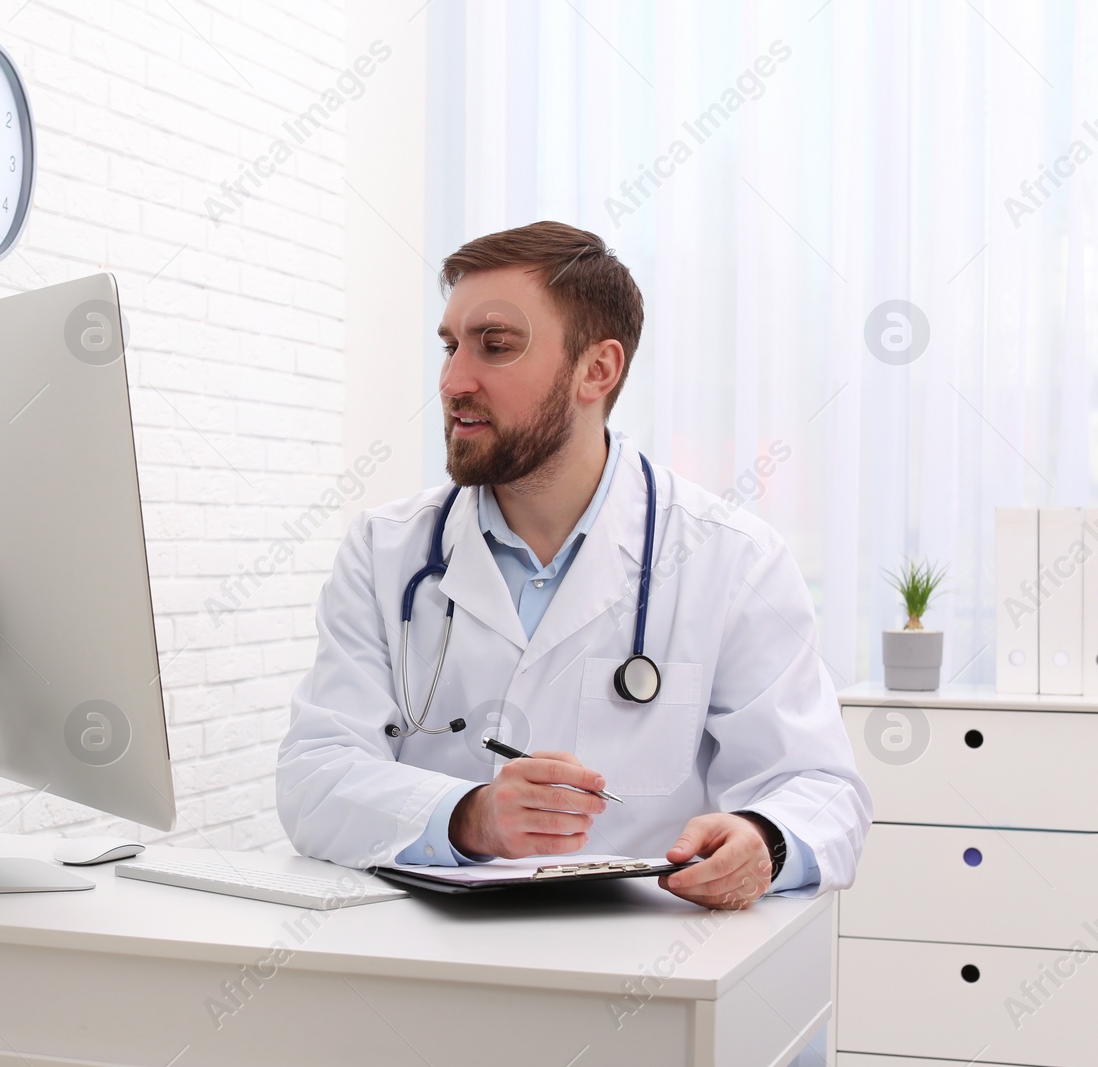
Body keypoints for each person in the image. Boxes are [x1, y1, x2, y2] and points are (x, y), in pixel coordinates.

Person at [276, 221, 871, 908]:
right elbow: (315, 776)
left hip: (646, 968)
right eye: (449, 346)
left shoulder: (732, 558)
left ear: (598, 369)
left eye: (494, 346)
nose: (452, 380)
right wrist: (471, 815)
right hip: (426, 965)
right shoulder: (386, 552)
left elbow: (822, 789)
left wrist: (765, 840)